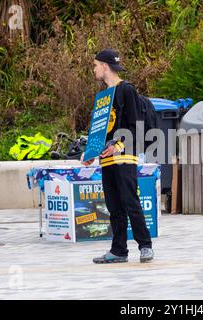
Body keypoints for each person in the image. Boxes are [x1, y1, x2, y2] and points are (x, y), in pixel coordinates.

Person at [81, 48, 154, 263]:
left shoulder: (126, 90)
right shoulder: (103, 97)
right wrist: (91, 153)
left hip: (125, 154)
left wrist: (119, 144)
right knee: (114, 206)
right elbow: (101, 129)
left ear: (104, 66)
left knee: (130, 201)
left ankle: (145, 246)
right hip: (107, 157)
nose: (93, 69)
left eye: (95, 65)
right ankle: (119, 250)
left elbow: (135, 125)